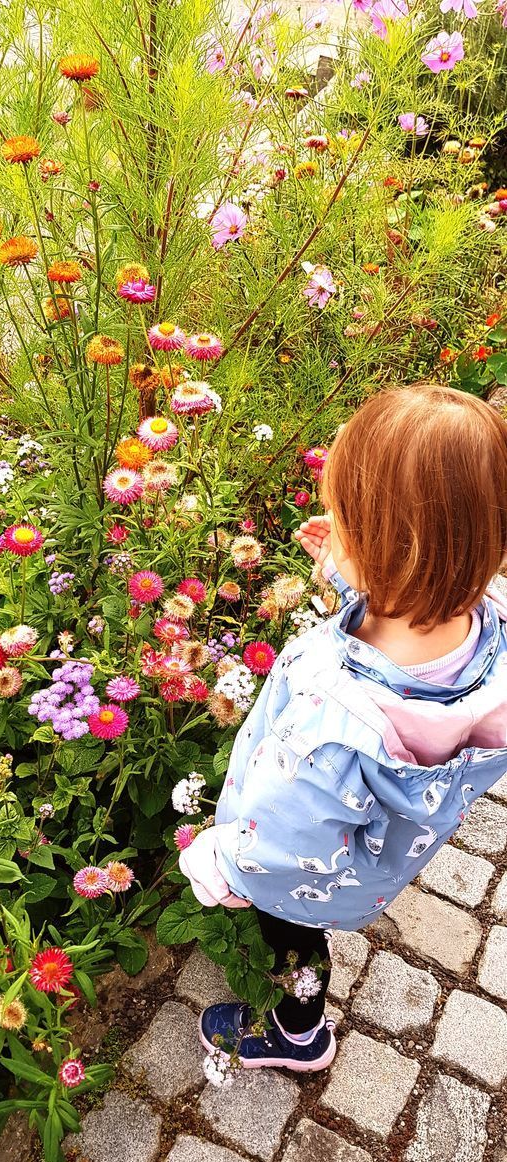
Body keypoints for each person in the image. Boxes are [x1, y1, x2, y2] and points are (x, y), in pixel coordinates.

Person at [180, 384, 507, 1073]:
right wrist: (350, 577)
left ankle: (299, 1034)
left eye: (345, 518)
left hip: (308, 875)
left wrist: (218, 860)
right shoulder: (486, 621)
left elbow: (288, 841)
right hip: (387, 848)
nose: (331, 521)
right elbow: (410, 613)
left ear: (388, 552)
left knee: (293, 940)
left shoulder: (337, 718)